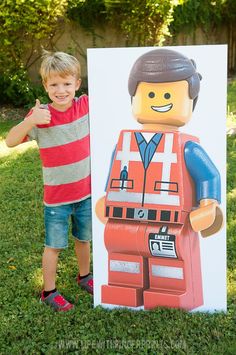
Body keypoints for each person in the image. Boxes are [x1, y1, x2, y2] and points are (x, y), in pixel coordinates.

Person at [96, 48, 223, 310]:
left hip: (171, 221)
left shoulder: (187, 148)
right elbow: (114, 172)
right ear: (135, 97)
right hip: (123, 218)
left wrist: (208, 203)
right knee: (122, 257)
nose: (159, 100)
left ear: (190, 101)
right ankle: (124, 287)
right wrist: (105, 199)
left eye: (168, 94)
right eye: (150, 94)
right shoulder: (125, 144)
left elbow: (209, 174)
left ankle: (170, 292)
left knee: (169, 260)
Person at [6, 51, 93, 311]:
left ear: (77, 84)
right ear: (45, 86)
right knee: (53, 247)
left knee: (83, 239)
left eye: (67, 83)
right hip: (57, 199)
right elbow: (10, 141)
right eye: (54, 84)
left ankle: (85, 276)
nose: (61, 90)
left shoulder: (85, 105)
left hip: (85, 193)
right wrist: (31, 120)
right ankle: (49, 291)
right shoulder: (41, 116)